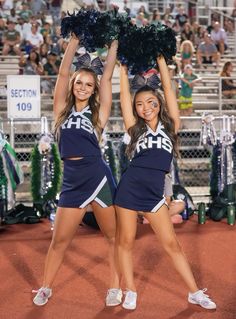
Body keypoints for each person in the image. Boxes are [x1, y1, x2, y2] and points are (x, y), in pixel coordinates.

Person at [114, 56, 216, 310]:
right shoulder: (134, 129)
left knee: (171, 244)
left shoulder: (172, 127)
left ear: (158, 103)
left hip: (154, 194)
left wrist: (162, 62)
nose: (145, 107)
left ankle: (194, 292)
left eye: (150, 102)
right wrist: (123, 69)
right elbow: (124, 98)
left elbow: (169, 89)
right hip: (129, 189)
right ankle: (131, 290)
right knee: (125, 242)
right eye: (140, 104)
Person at [32, 35, 121, 307]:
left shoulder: (98, 115)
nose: (83, 87)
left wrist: (114, 43)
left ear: (94, 90)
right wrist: (73, 41)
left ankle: (115, 286)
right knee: (59, 240)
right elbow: (61, 72)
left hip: (98, 177)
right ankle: (46, 286)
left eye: (88, 85)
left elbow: (106, 78)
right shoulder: (61, 110)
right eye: (79, 83)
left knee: (112, 236)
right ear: (73, 85)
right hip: (72, 181)